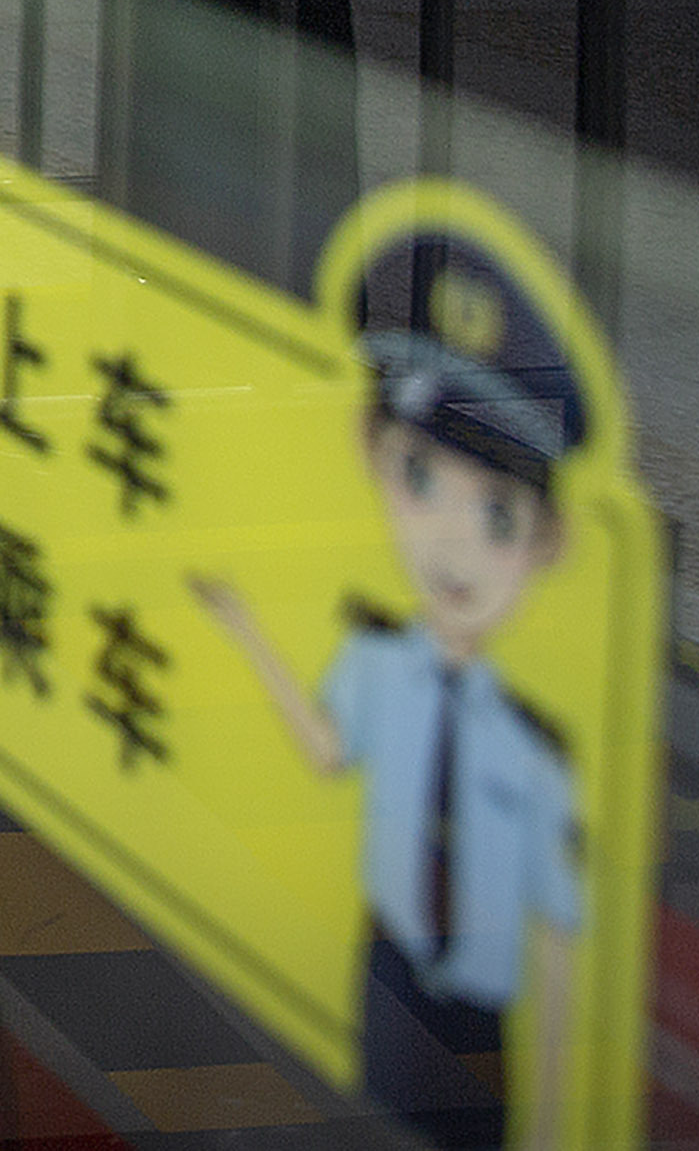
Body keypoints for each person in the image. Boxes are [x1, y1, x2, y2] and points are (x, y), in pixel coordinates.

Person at [196, 225, 591, 1149]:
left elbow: (559, 945)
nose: (452, 545)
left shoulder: (533, 749)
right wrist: (246, 632)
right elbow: (329, 750)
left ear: (544, 544)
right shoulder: (375, 664)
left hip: (481, 1025)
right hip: (385, 972)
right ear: (379, 467)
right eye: (422, 478)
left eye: (496, 513)